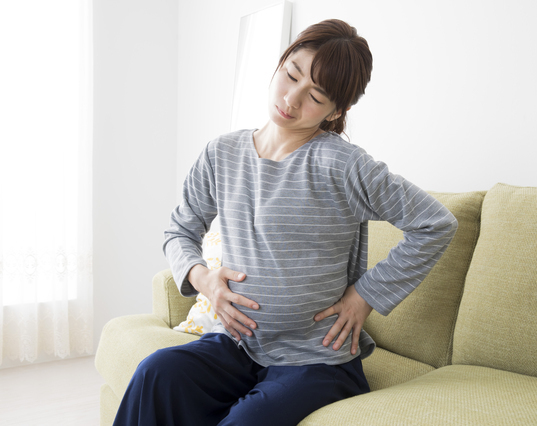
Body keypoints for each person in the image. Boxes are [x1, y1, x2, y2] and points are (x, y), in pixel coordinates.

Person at [114, 19, 458, 426]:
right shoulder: (221, 154)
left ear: (337, 111)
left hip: (318, 360)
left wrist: (365, 295)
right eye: (291, 75)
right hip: (239, 346)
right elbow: (180, 230)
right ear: (280, 64)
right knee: (155, 373)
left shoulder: (344, 165)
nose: (291, 99)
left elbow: (435, 223)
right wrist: (204, 280)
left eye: (315, 96)